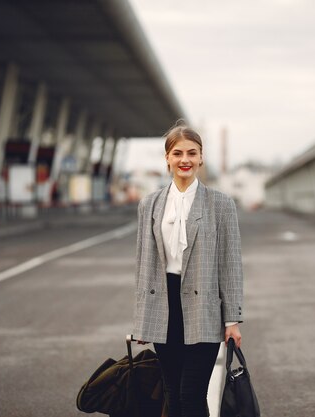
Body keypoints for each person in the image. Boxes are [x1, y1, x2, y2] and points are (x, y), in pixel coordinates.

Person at [132, 121, 244, 417]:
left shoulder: (221, 205)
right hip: (163, 306)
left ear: (201, 158)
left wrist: (232, 319)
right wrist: (144, 318)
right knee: (172, 394)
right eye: (178, 153)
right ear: (167, 158)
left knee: (191, 394)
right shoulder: (150, 204)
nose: (185, 160)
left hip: (203, 307)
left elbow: (230, 264)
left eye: (192, 153)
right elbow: (144, 263)